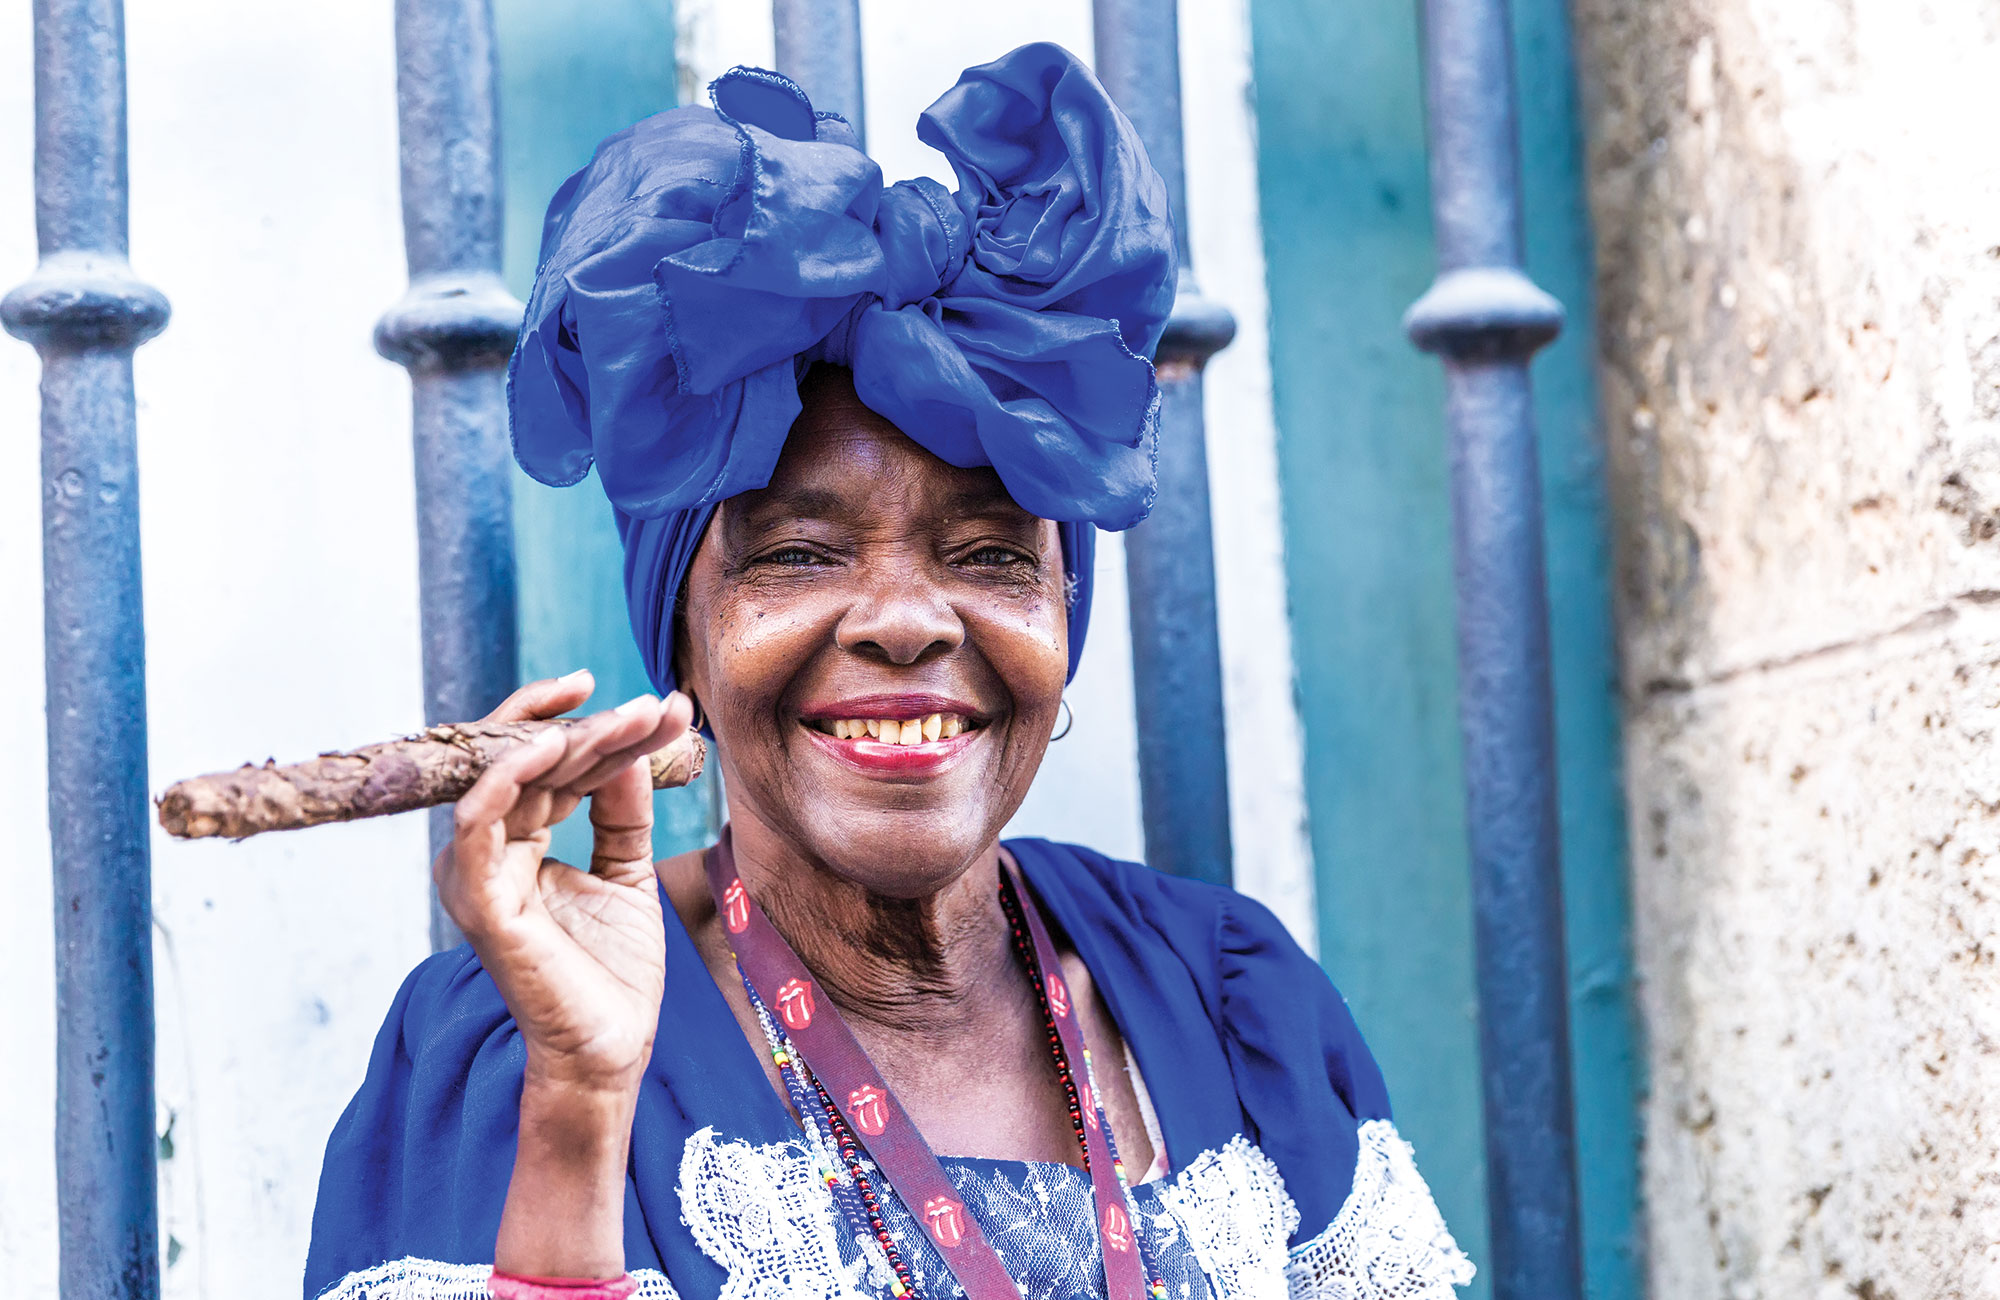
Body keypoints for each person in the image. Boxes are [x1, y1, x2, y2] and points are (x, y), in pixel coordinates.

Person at [306, 42, 1473, 1300]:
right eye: (798, 553)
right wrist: (581, 1113)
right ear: (685, 642)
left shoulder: (1230, 1002)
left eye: (986, 552)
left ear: (1059, 618)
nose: (907, 620)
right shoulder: (512, 1050)